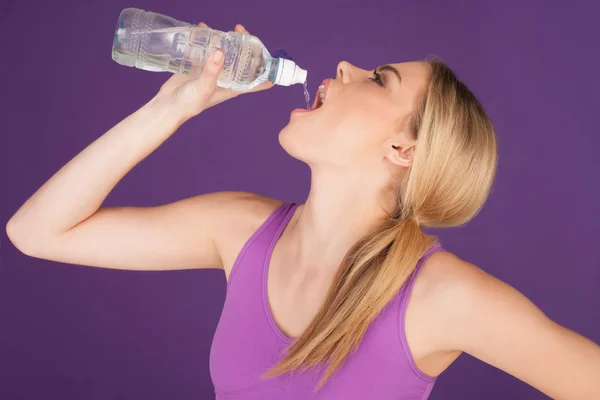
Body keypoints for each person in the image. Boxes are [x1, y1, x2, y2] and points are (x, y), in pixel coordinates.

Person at [6, 23, 600, 400]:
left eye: (378, 79)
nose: (345, 67)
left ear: (403, 149)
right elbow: (36, 231)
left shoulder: (441, 295)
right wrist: (172, 108)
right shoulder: (239, 229)